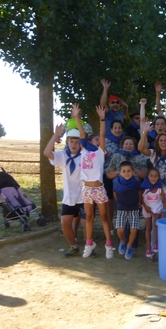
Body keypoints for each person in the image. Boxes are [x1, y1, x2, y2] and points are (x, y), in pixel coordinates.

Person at [73, 103, 114, 259]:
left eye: (98, 140)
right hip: (87, 190)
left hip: (98, 189)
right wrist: (77, 116)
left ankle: (109, 245)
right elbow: (82, 134)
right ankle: (89, 243)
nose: (98, 141)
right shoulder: (83, 150)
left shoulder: (100, 152)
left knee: (103, 217)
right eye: (95, 139)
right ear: (90, 142)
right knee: (89, 217)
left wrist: (102, 119)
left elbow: (103, 135)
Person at [44, 126, 85, 257]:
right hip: (69, 197)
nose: (74, 144)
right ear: (67, 142)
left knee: (86, 223)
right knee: (65, 223)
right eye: (71, 141)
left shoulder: (84, 156)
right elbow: (46, 153)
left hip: (84, 196)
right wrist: (55, 135)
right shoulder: (62, 156)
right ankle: (74, 246)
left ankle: (90, 246)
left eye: (77, 142)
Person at [113, 161, 142, 260]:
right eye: (124, 171)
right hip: (122, 209)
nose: (126, 173)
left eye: (129, 171)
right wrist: (119, 203)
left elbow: (139, 193)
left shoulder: (136, 183)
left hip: (134, 209)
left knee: (133, 230)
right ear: (120, 172)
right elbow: (115, 194)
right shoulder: (117, 183)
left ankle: (129, 246)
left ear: (133, 172)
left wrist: (139, 201)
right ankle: (123, 241)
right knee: (120, 230)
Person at [141, 168, 166, 259]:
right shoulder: (144, 187)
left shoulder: (160, 189)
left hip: (157, 208)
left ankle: (156, 243)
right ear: (148, 177)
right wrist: (145, 207)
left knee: (156, 224)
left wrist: (164, 212)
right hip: (147, 208)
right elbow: (140, 199)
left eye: (156, 176)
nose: (153, 178)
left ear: (158, 177)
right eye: (151, 175)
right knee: (148, 227)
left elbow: (164, 201)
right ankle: (148, 248)